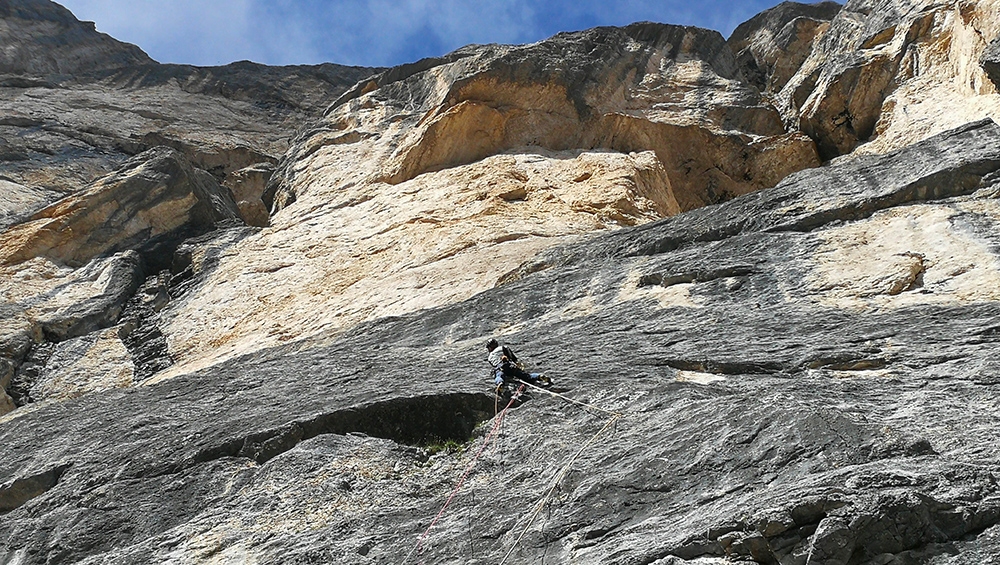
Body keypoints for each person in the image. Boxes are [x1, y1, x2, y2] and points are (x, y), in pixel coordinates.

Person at [486, 338, 550, 391]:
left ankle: (500, 383)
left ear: (490, 347)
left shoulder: (489, 357)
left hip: (500, 368)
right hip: (510, 366)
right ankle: (539, 376)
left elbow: (494, 365)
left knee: (499, 376)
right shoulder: (502, 347)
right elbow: (510, 354)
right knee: (527, 376)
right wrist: (516, 362)